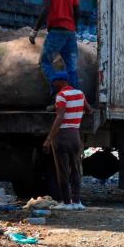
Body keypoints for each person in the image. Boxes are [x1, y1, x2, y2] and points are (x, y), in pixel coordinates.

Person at [30, 0, 80, 108]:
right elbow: (77, 11)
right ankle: (76, 101)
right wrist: (73, 27)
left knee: (45, 62)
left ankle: (57, 96)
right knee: (71, 67)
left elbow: (46, 9)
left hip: (57, 31)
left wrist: (35, 30)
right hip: (70, 33)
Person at [44, 70, 92, 210]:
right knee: (76, 169)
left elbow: (60, 118)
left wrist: (48, 139)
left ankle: (66, 202)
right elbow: (88, 110)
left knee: (63, 170)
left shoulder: (61, 96)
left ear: (61, 82)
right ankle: (77, 202)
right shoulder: (80, 93)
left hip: (62, 136)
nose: (53, 83)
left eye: (54, 81)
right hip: (75, 135)